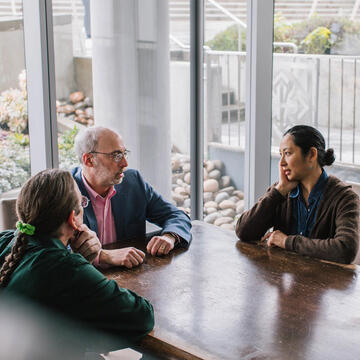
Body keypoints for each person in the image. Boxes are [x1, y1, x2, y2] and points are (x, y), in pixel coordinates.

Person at [0, 169, 154, 345]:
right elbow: (142, 316)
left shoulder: (5, 240)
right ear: (73, 219)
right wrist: (81, 262)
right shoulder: (67, 269)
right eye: (82, 203)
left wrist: (76, 257)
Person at [236, 125, 359, 264]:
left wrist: (287, 241)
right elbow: (244, 231)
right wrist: (279, 191)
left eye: (287, 153)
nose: (282, 163)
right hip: (285, 280)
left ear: (311, 154)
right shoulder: (282, 192)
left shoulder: (345, 198)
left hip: (324, 283)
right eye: (280, 154)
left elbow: (345, 249)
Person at [71, 126, 192, 268]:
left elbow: (176, 215)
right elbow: (55, 252)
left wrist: (170, 236)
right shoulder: (66, 191)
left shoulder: (133, 182)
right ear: (89, 160)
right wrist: (103, 256)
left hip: (131, 277)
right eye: (116, 156)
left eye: (124, 154)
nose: (125, 163)